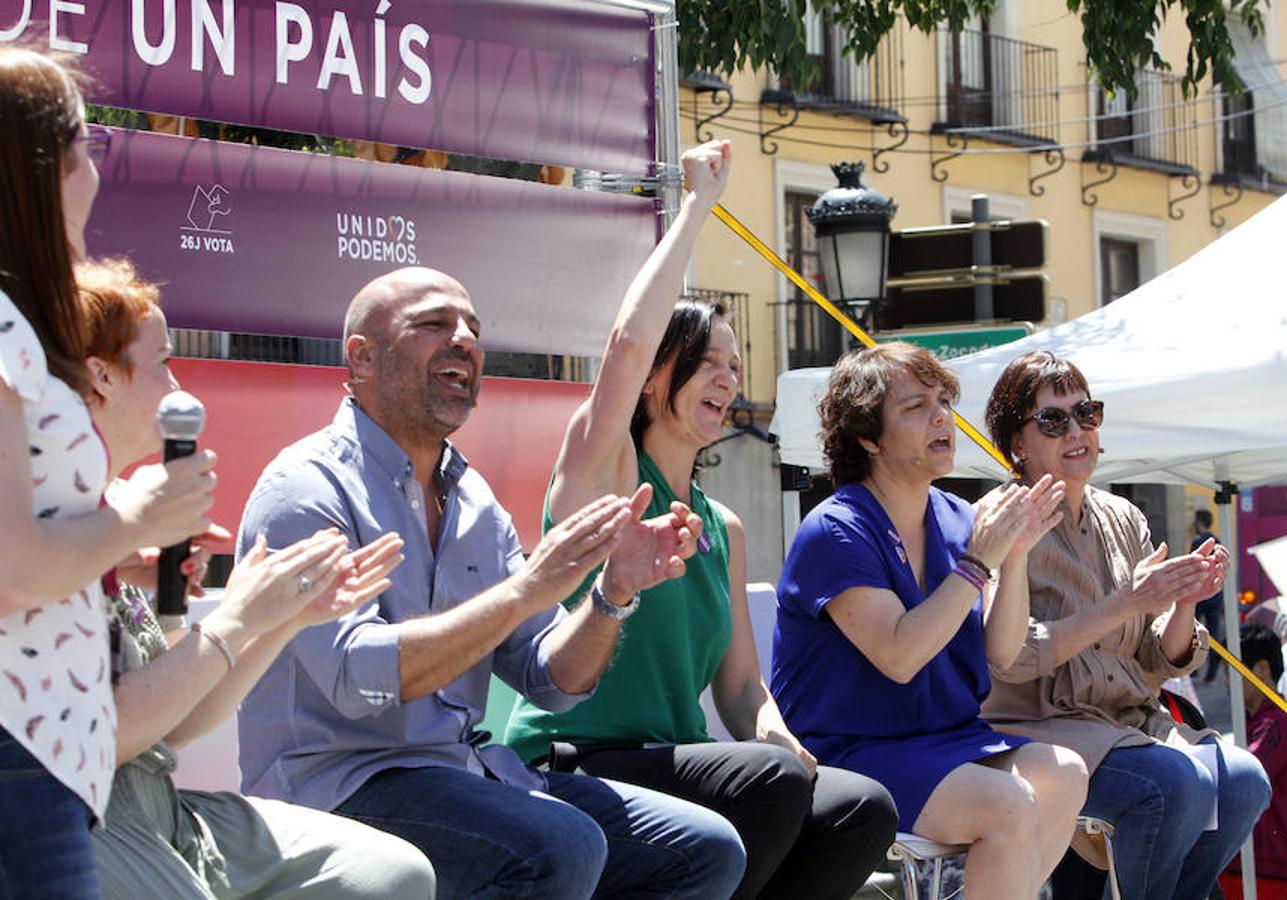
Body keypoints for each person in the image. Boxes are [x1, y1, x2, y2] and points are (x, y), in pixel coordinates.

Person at [235, 265, 746, 900]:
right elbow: (358, 680)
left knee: (703, 851)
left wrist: (613, 594)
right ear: (361, 357)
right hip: (339, 787)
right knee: (560, 848)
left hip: (467, 773)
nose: (463, 341)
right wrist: (523, 592)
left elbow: (551, 679)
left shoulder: (473, 499)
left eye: (473, 330)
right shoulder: (305, 488)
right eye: (432, 324)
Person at [502, 141, 898, 900]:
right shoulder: (607, 475)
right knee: (772, 783)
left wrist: (774, 728)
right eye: (710, 362)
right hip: (574, 762)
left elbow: (742, 690)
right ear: (657, 381)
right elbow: (622, 345)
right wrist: (696, 207)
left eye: (735, 364)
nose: (731, 377)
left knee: (859, 808)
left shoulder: (723, 524)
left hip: (678, 764)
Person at [74, 259, 435, 899]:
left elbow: (176, 726)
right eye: (161, 362)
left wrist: (284, 617)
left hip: (164, 810)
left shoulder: (119, 517)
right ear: (100, 375)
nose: (177, 387)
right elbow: (96, 743)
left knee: (392, 876)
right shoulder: (45, 533)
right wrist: (240, 615)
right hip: (79, 820)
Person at [0, 47, 216, 897]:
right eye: (85, 151)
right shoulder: (6, 335)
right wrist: (137, 519)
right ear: (37, 169)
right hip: (17, 752)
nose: (93, 176)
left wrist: (113, 553)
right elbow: (13, 569)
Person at [771, 342, 1088, 900]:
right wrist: (979, 562)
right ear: (868, 437)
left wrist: (1012, 558)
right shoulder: (835, 529)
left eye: (943, 400)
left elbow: (1002, 653)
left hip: (945, 738)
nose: (942, 416)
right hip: (849, 750)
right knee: (1007, 806)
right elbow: (899, 656)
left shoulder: (958, 517)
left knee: (1065, 773)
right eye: (916, 406)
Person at [981, 350, 1270, 900]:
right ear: (1017, 442)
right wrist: (1125, 602)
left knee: (1244, 781)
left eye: (1086, 413)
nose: (1076, 430)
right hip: (1041, 728)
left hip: (1132, 724)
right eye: (1053, 420)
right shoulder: (1000, 519)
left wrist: (1183, 601)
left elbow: (1155, 658)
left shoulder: (1124, 516)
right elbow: (1010, 657)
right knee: (1175, 785)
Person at [1218, 623, 1287, 900]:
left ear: (1261, 669)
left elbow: (1243, 776)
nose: (1227, 682)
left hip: (1262, 860)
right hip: (1255, 858)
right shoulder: (1263, 719)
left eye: (1230, 671)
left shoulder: (1277, 721)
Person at [1191, 509, 1224, 683]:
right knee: (1214, 635)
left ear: (1200, 522)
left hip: (1199, 596)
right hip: (1215, 595)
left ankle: (1192, 669)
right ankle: (1212, 670)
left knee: (1193, 634)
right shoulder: (1218, 542)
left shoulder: (1197, 543)